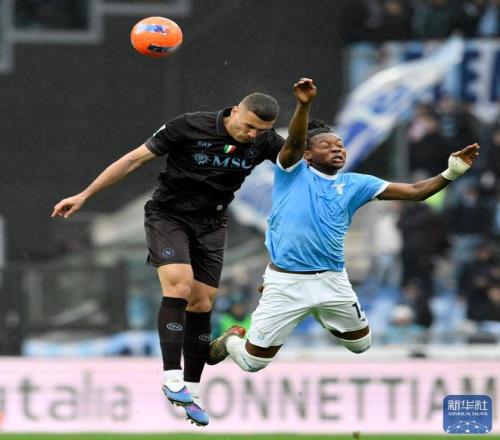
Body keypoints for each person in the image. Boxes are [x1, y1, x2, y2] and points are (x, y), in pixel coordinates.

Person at [51, 78, 314, 426]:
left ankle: (192, 389)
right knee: (179, 284)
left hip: (212, 224)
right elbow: (134, 159)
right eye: (249, 126)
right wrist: (85, 194)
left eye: (260, 131)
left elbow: (292, 158)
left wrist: (303, 107)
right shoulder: (189, 126)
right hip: (169, 216)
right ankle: (172, 377)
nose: (252, 135)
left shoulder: (263, 141)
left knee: (202, 303)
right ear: (235, 111)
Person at [208, 79, 480, 374]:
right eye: (326, 145)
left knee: (361, 345)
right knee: (252, 363)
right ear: (308, 154)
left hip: (331, 280)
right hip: (286, 282)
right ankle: (232, 339)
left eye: (340, 145)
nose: (337, 149)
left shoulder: (356, 184)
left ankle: (320, 311)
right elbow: (295, 142)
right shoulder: (292, 172)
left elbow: (416, 192)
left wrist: (451, 172)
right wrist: (304, 104)